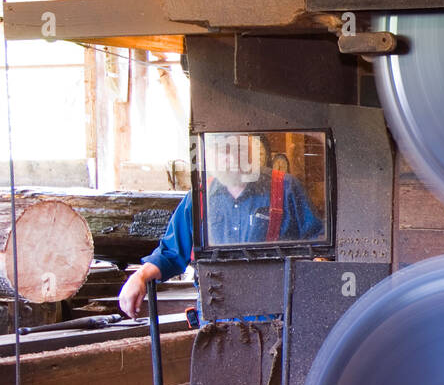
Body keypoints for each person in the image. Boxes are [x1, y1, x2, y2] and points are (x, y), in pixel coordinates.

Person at [118, 135, 323, 319]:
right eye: (222, 151)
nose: (232, 159)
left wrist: (319, 269)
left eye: (239, 149)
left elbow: (320, 246)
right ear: (209, 155)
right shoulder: (198, 198)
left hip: (279, 321)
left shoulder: (286, 189)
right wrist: (140, 276)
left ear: (252, 149)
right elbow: (171, 254)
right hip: (217, 326)